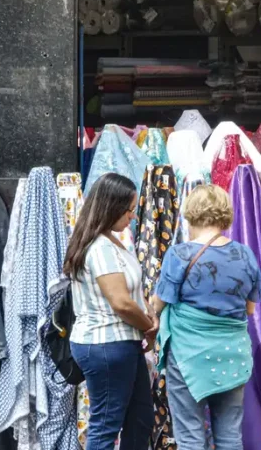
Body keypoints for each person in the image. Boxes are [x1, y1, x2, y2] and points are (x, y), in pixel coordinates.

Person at [150, 183, 261, 450]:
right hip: (232, 355)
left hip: (188, 356)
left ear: (192, 213)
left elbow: (158, 304)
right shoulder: (245, 255)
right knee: (230, 437)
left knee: (190, 438)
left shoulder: (180, 254)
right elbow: (249, 309)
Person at [63, 172, 156, 450]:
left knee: (140, 417)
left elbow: (132, 292)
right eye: (129, 210)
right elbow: (121, 302)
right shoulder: (100, 247)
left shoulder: (110, 241)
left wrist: (147, 311)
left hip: (118, 343)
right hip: (106, 344)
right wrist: (149, 326)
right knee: (106, 426)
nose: (133, 216)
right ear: (111, 207)